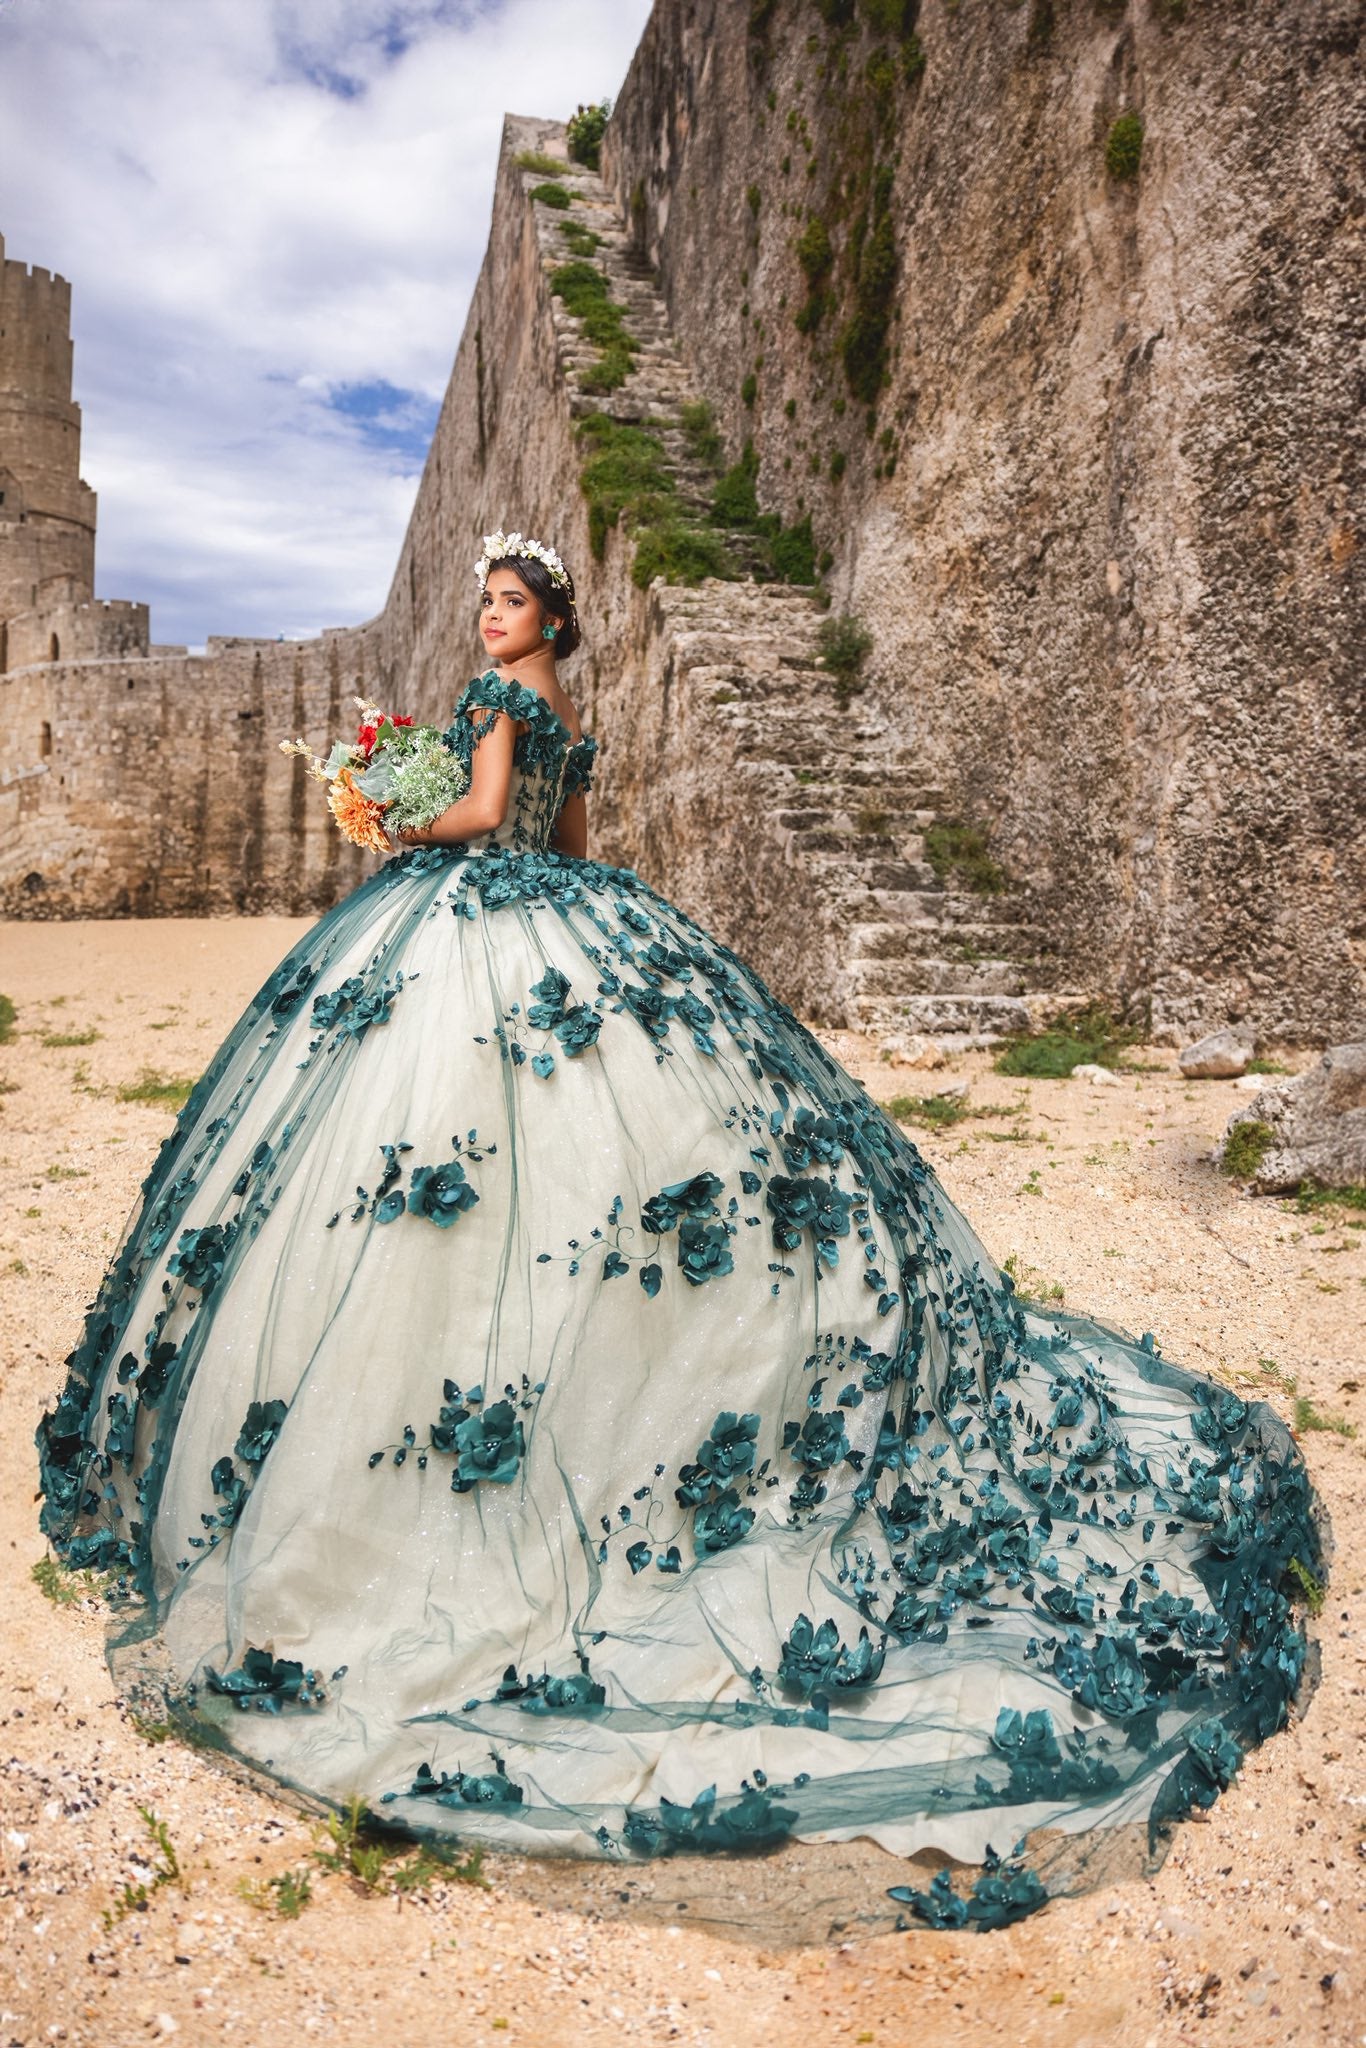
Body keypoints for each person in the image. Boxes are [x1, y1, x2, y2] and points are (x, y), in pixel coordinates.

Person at [35, 532, 1324, 1931]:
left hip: (471, 919)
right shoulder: (568, 714)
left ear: (551, 619)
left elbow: (487, 814)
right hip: (567, 919)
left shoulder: (494, 703)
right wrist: (487, 843)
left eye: (511, 603)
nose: (490, 619)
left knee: (431, 1153)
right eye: (484, 603)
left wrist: (400, 818)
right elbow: (576, 850)